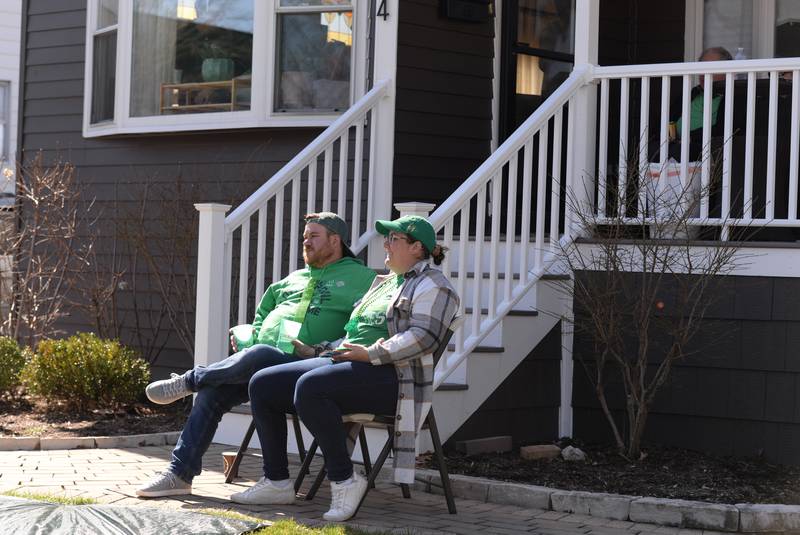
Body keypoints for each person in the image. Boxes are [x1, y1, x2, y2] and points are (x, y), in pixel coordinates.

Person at [229, 215, 460, 522]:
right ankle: (277, 481)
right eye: (386, 239)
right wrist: (317, 350)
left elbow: (423, 337)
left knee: (311, 387)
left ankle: (345, 479)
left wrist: (371, 353)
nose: (386, 245)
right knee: (263, 383)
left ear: (417, 248)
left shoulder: (434, 286)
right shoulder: (384, 283)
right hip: (350, 364)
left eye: (393, 239)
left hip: (393, 378)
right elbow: (354, 334)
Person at [135, 212, 376, 498]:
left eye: (314, 236)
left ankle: (190, 380)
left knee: (259, 354)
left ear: (335, 241)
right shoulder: (294, 278)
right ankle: (179, 475)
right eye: (304, 237)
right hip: (261, 367)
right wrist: (250, 334)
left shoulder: (363, 279)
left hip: (308, 368)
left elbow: (363, 324)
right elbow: (264, 311)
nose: (306, 242)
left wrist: (324, 348)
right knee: (212, 393)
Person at [668, 46, 732, 161]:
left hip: (706, 151)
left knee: (681, 151)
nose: (703, 73)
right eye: (702, 67)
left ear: (726, 71)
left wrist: (690, 138)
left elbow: (722, 130)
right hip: (676, 146)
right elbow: (669, 119)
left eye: (711, 68)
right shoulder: (693, 93)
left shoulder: (732, 97)